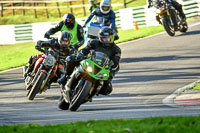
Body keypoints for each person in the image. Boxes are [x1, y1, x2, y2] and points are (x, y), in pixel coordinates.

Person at [61, 27, 121, 95]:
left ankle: (94, 90)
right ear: (100, 37)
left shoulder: (116, 49)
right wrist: (81, 54)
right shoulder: (94, 42)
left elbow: (116, 62)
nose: (106, 40)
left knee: (107, 90)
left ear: (111, 38)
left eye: (108, 38)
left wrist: (110, 73)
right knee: (70, 59)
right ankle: (65, 76)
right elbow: (85, 49)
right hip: (90, 61)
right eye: (104, 38)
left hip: (102, 68)